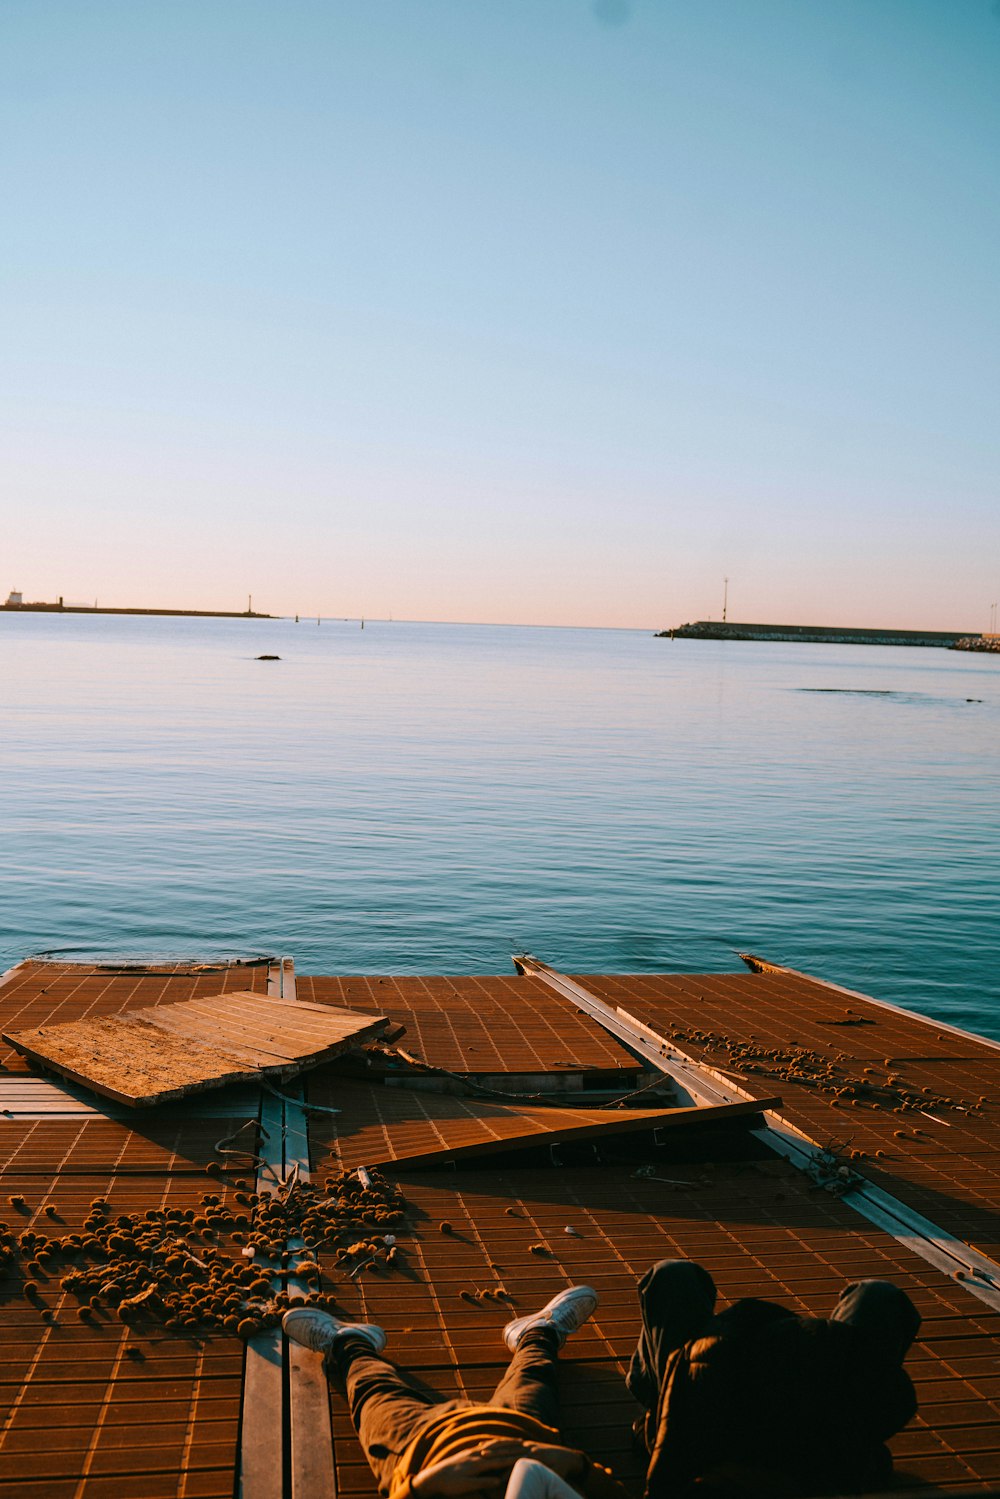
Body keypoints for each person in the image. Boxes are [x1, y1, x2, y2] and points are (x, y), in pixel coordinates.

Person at [283, 1286, 627, 1499]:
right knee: (535, 1372)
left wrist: (425, 1486)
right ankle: (539, 1331)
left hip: (418, 1449)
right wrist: (576, 1466)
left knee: (372, 1391)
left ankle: (349, 1342)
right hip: (518, 1428)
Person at [628, 1259, 920, 1498]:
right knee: (877, 1296)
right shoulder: (830, 1464)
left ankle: (654, 1388)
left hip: (714, 1411)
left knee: (671, 1276)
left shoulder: (697, 1471)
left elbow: (667, 1461)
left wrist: (653, 1425)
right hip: (808, 1438)